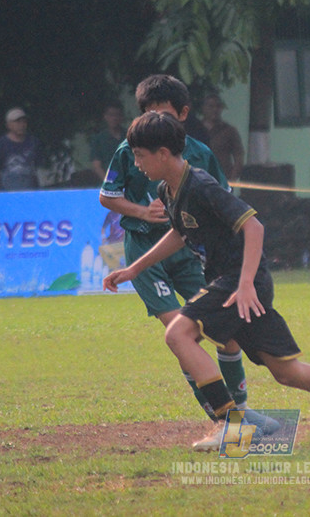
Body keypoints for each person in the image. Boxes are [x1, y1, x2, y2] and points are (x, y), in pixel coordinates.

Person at [104, 112, 310, 450]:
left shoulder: (200, 184)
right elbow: (179, 233)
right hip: (235, 284)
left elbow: (253, 226)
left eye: (140, 154)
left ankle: (233, 425)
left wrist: (244, 284)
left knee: (178, 334)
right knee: (288, 372)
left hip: (239, 283)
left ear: (163, 153)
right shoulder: (168, 190)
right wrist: (135, 269)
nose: (136, 161)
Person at [98, 75, 276, 446]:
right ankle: (225, 419)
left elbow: (225, 209)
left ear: (182, 114)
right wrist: (141, 212)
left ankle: (240, 413)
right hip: (146, 253)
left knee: (223, 336)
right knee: (182, 332)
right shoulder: (130, 149)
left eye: (165, 115)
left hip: (190, 252)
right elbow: (108, 196)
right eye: (150, 114)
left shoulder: (199, 154)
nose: (157, 124)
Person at [0, 107, 42, 191]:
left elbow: (38, 167)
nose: (21, 125)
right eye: (17, 122)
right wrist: (1, 189)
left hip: (30, 190)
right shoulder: (1, 144)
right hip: (9, 190)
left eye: (24, 121)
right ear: (8, 125)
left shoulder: (33, 142)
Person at [200, 92, 245, 181]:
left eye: (218, 106)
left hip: (222, 181)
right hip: (199, 181)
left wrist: (232, 180)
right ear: (203, 108)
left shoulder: (230, 131)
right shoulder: (196, 130)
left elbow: (239, 157)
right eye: (211, 106)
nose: (215, 110)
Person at [88, 101, 126, 186]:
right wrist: (109, 183)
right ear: (105, 117)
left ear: (121, 117)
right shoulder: (99, 139)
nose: (114, 118)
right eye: (111, 115)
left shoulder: (130, 136)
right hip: (108, 185)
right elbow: (97, 166)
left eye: (117, 115)